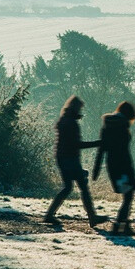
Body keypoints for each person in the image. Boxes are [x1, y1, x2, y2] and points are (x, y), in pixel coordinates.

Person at [43, 95, 110, 227]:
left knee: (68, 187)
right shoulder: (71, 123)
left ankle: (50, 215)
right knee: (83, 188)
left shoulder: (64, 120)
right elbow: (76, 144)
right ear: (75, 108)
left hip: (62, 158)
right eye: (80, 108)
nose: (81, 111)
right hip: (70, 158)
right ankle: (92, 217)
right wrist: (98, 143)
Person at [93, 101, 135, 235]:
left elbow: (102, 148)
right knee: (128, 196)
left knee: (128, 195)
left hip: (113, 166)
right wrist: (131, 172)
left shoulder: (107, 125)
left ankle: (123, 225)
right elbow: (125, 152)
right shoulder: (123, 126)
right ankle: (119, 225)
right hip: (123, 167)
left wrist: (96, 168)